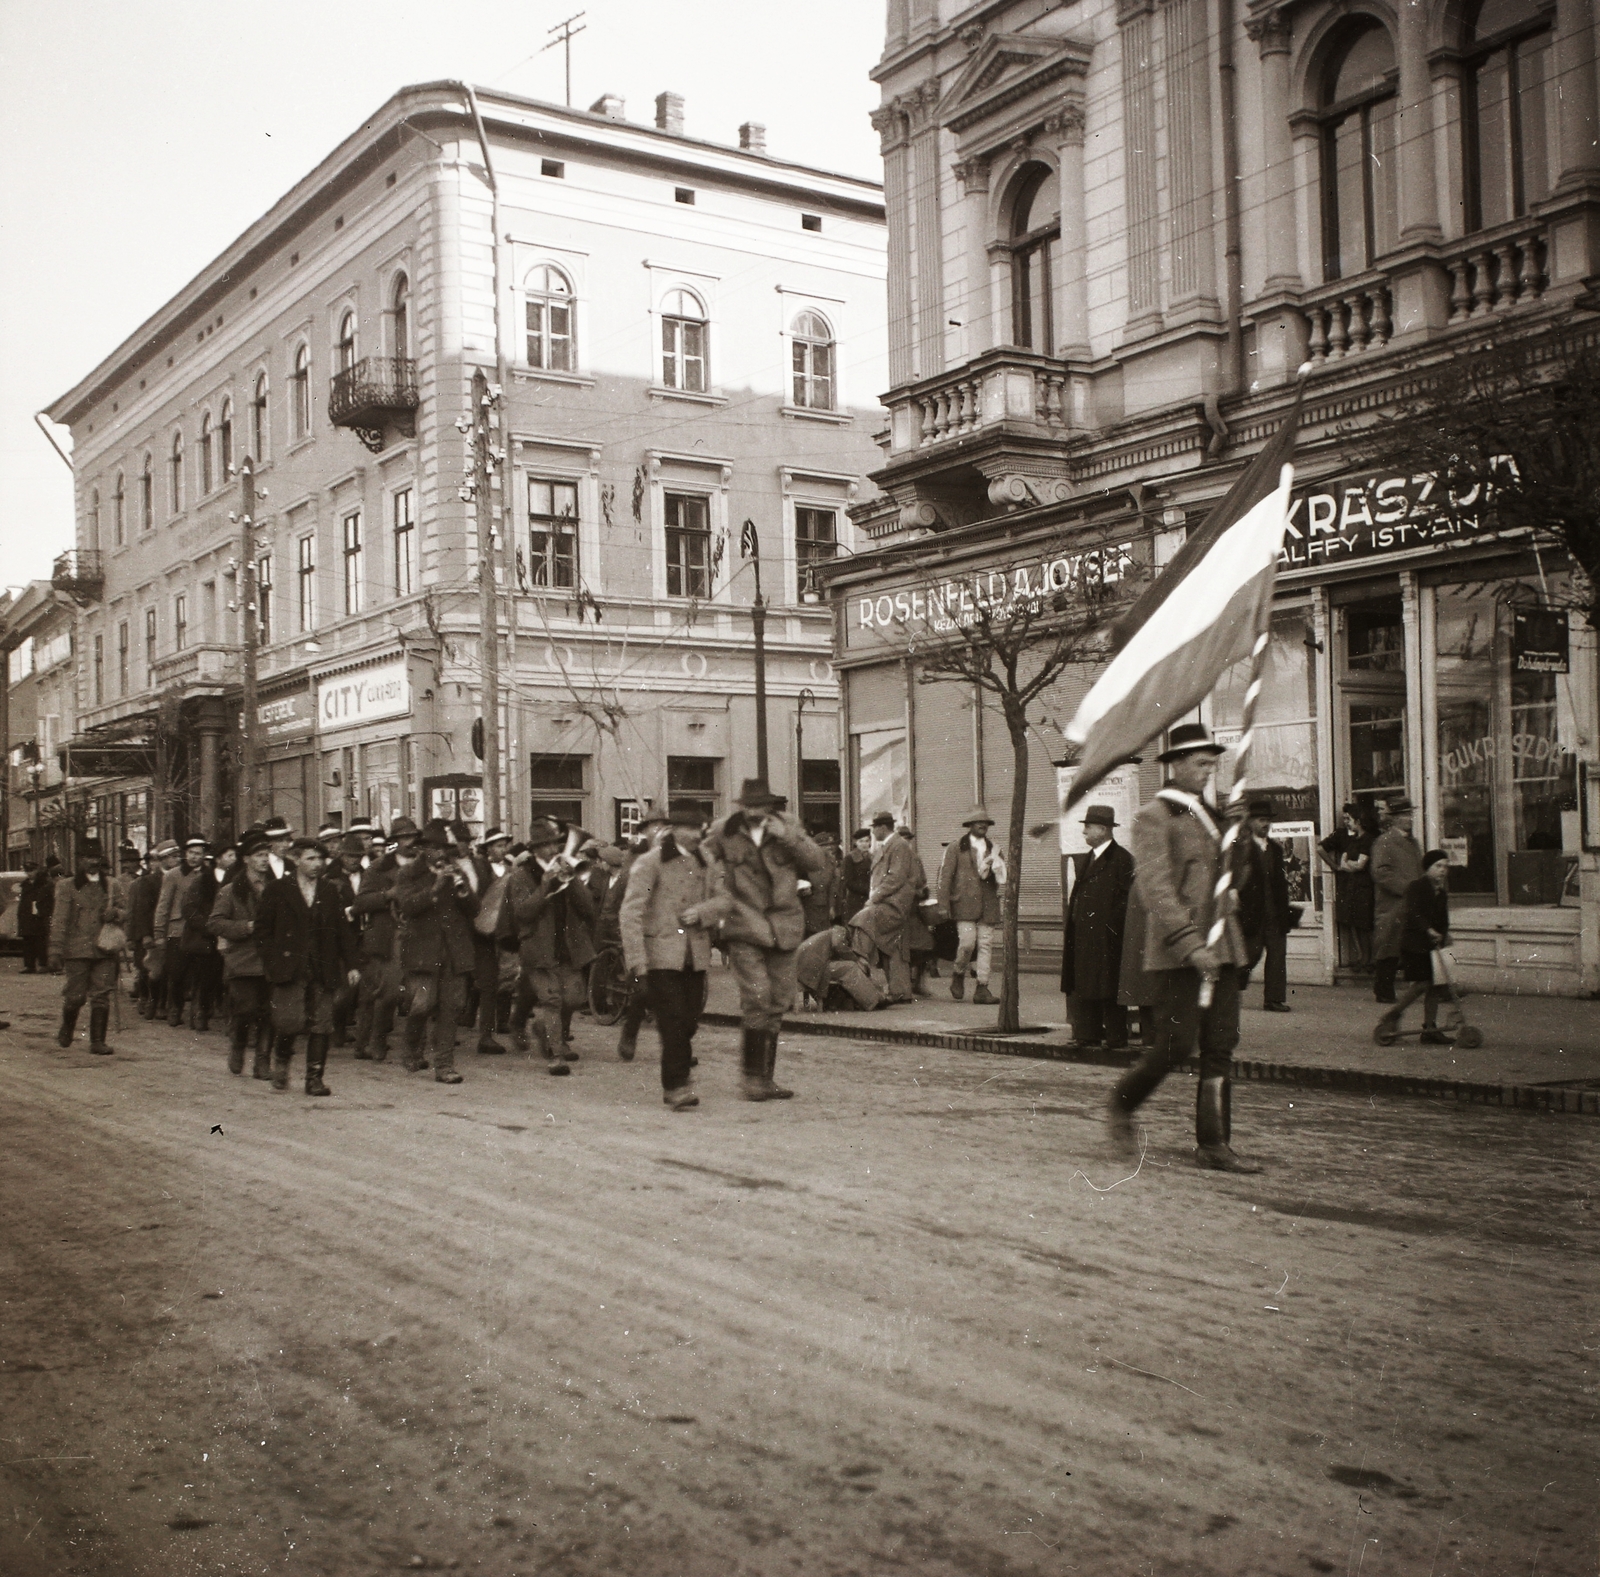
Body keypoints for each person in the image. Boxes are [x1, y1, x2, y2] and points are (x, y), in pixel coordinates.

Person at [1107, 723, 1262, 1174]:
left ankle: (1214, 1144)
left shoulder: (1214, 817)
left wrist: (1242, 835)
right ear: (1175, 765)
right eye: (1199, 763)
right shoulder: (1155, 816)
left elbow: (1237, 880)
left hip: (1224, 947)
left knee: (1220, 1046)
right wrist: (1191, 945)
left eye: (1213, 763)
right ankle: (1122, 1101)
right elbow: (1156, 890)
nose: (1207, 771)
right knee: (1177, 1044)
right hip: (1180, 953)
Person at [704, 777, 828, 1100]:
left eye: (761, 806)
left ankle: (765, 1078)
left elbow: (817, 863)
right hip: (745, 926)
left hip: (784, 928)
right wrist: (718, 893)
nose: (756, 812)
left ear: (770, 806)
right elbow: (701, 864)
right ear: (742, 808)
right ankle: (751, 1079)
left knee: (777, 1002)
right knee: (757, 999)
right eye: (750, 807)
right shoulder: (724, 831)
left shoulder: (788, 827)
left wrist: (788, 839)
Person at [618, 802, 724, 1110]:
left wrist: (703, 912)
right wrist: (637, 963)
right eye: (690, 829)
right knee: (674, 1021)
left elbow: (726, 897)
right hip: (660, 955)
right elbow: (630, 913)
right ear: (674, 830)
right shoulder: (650, 863)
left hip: (695, 956)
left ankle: (678, 1078)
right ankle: (676, 1086)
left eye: (700, 828)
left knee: (689, 1021)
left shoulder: (707, 859)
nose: (697, 834)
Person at [257, 837, 360, 1095]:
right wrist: (272, 960)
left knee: (322, 1023)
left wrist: (352, 965)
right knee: (289, 1021)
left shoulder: (328, 891)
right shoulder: (277, 890)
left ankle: (314, 1078)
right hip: (289, 966)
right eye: (310, 859)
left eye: (320, 859)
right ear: (296, 859)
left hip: (322, 966)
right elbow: (262, 930)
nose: (317, 864)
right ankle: (281, 1062)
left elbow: (342, 931)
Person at [505, 817, 596, 1074]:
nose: (554, 849)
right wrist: (546, 884)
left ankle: (547, 1031)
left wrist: (572, 879)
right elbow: (522, 913)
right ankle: (557, 1054)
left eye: (556, 844)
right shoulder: (522, 876)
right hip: (538, 946)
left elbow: (588, 907)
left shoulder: (566, 867)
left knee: (574, 998)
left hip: (567, 945)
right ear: (535, 849)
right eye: (547, 845)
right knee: (552, 1000)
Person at [392, 821, 480, 1083]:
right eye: (433, 847)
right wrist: (434, 888)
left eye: (442, 848)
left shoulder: (456, 872)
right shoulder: (408, 873)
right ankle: (412, 1048)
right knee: (421, 1005)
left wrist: (462, 891)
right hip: (422, 951)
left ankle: (444, 1065)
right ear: (423, 849)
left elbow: (474, 909)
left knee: (450, 1008)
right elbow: (407, 906)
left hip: (453, 951)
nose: (439, 852)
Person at [1060, 805, 1135, 1048]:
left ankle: (1115, 1037)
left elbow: (1126, 901)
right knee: (1086, 984)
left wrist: (1111, 927)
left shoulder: (1122, 859)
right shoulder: (1089, 858)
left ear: (1103, 830)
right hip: (1085, 936)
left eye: (1088, 827)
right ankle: (1087, 1034)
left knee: (1109, 986)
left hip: (1107, 937)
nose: (1084, 832)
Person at [600, 809, 670, 1061]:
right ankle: (630, 1033)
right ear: (645, 831)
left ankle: (675, 1049)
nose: (659, 830)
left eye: (664, 826)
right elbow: (623, 891)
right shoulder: (635, 856)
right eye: (654, 826)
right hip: (637, 927)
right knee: (643, 991)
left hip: (663, 930)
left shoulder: (674, 855)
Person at [348, 815, 420, 1061]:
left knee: (417, 995)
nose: (409, 842)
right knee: (388, 993)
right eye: (403, 838)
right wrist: (388, 894)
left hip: (420, 935)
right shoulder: (378, 867)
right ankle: (376, 1039)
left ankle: (414, 1049)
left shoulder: (424, 864)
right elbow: (360, 903)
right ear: (395, 841)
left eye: (412, 836)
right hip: (389, 936)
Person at [47, 839, 129, 1055]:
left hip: (105, 948)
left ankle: (97, 1041)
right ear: (79, 861)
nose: (92, 862)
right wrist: (55, 950)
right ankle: (67, 1027)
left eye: (96, 857)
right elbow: (60, 920)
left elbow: (124, 911)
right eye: (87, 858)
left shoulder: (112, 885)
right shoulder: (67, 887)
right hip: (76, 950)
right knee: (75, 996)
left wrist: (116, 914)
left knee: (101, 995)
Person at [206, 829, 276, 1078]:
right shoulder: (230, 891)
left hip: (271, 961)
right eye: (259, 855)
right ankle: (238, 1045)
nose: (265, 859)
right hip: (242, 961)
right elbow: (214, 923)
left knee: (270, 1012)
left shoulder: (278, 889)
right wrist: (244, 927)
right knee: (245, 1009)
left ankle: (263, 1061)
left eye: (267, 854)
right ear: (246, 859)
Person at [1375, 849, 1455, 1045]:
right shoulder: (1417, 887)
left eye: (1445, 866)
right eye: (1438, 866)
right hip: (1414, 945)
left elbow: (1443, 920)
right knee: (1422, 984)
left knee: (1435, 985)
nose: (1442, 870)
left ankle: (1430, 1029)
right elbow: (1414, 913)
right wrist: (1428, 930)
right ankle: (1393, 1014)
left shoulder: (1441, 893)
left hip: (1432, 945)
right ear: (1427, 868)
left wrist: (1443, 934)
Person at [936, 808, 1006, 1006]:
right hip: (963, 904)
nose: (982, 826)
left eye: (985, 823)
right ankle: (958, 973)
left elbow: (1002, 874)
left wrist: (996, 867)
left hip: (988, 905)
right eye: (978, 823)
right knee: (967, 943)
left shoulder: (995, 848)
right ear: (969, 826)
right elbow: (945, 877)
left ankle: (982, 988)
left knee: (985, 946)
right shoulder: (956, 847)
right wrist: (943, 905)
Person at [1234, 798, 1294, 1013]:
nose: (1265, 824)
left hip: (1275, 913)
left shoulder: (1276, 849)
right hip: (1251, 912)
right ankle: (1233, 988)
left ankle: (1274, 999)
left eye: (1268, 820)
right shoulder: (1240, 849)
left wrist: (1284, 911)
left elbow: (1280, 882)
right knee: (1250, 954)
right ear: (1250, 822)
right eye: (1261, 820)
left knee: (1278, 955)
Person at [851, 811, 918, 1004]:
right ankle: (901, 991)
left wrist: (874, 898)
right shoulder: (891, 845)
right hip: (889, 902)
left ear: (882, 828)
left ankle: (860, 973)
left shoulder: (898, 846)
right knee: (893, 946)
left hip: (893, 904)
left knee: (862, 922)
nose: (873, 833)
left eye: (874, 829)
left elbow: (895, 877)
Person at [465, 828, 516, 1055]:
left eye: (504, 845)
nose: (502, 849)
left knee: (507, 976)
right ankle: (485, 1035)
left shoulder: (510, 869)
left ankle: (501, 1021)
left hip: (503, 931)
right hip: (482, 932)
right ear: (488, 849)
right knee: (488, 981)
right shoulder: (478, 868)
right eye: (497, 845)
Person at [1370, 798, 1422, 1005]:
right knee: (1389, 946)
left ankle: (1436, 987)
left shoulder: (1414, 843)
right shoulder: (1384, 842)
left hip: (1412, 902)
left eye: (1410, 814)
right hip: (1392, 904)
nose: (1408, 819)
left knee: (1416, 945)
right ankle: (1383, 989)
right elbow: (1381, 872)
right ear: (1393, 819)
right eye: (1403, 815)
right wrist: (1407, 888)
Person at [325, 833, 369, 1047]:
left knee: (363, 988)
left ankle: (361, 1034)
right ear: (341, 855)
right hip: (340, 939)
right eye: (351, 856)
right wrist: (350, 911)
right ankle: (337, 1029)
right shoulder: (330, 877)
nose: (355, 860)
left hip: (365, 936)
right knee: (344, 989)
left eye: (359, 856)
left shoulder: (367, 874)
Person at [1319, 803, 1375, 970]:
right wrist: (1336, 866)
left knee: (1364, 923)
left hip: (1363, 886)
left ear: (1358, 820)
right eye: (1343, 818)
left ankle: (1368, 958)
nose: (1345, 822)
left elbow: (1359, 865)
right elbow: (1321, 849)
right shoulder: (1344, 836)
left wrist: (1343, 863)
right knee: (1354, 922)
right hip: (1350, 886)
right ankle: (1363, 957)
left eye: (1348, 818)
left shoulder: (1366, 839)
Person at [132, 841, 179, 1017]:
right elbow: (142, 910)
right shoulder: (148, 881)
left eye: (177, 856)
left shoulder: (181, 876)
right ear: (163, 859)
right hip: (154, 931)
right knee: (153, 970)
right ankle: (150, 999)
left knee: (170, 969)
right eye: (172, 857)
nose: (176, 860)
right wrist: (145, 934)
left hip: (173, 931)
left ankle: (162, 1004)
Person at [797, 924, 887, 1011]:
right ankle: (873, 1001)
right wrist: (855, 959)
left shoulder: (827, 934)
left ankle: (869, 998)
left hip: (805, 966)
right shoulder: (840, 930)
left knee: (846, 968)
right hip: (814, 966)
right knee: (850, 967)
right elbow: (837, 945)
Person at [16, 862, 54, 974]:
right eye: (27, 871)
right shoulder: (25, 885)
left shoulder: (43, 884)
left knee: (40, 941)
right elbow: (23, 902)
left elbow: (48, 901)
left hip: (39, 916)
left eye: (31, 870)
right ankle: (29, 965)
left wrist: (44, 912)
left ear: (37, 870)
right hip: (26, 917)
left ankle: (43, 964)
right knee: (27, 942)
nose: (29, 873)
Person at [841, 828, 874, 919]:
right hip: (855, 900)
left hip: (871, 899)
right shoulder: (850, 858)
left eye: (867, 841)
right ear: (856, 842)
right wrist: (867, 889)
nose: (864, 844)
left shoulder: (873, 857)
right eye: (861, 841)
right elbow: (849, 882)